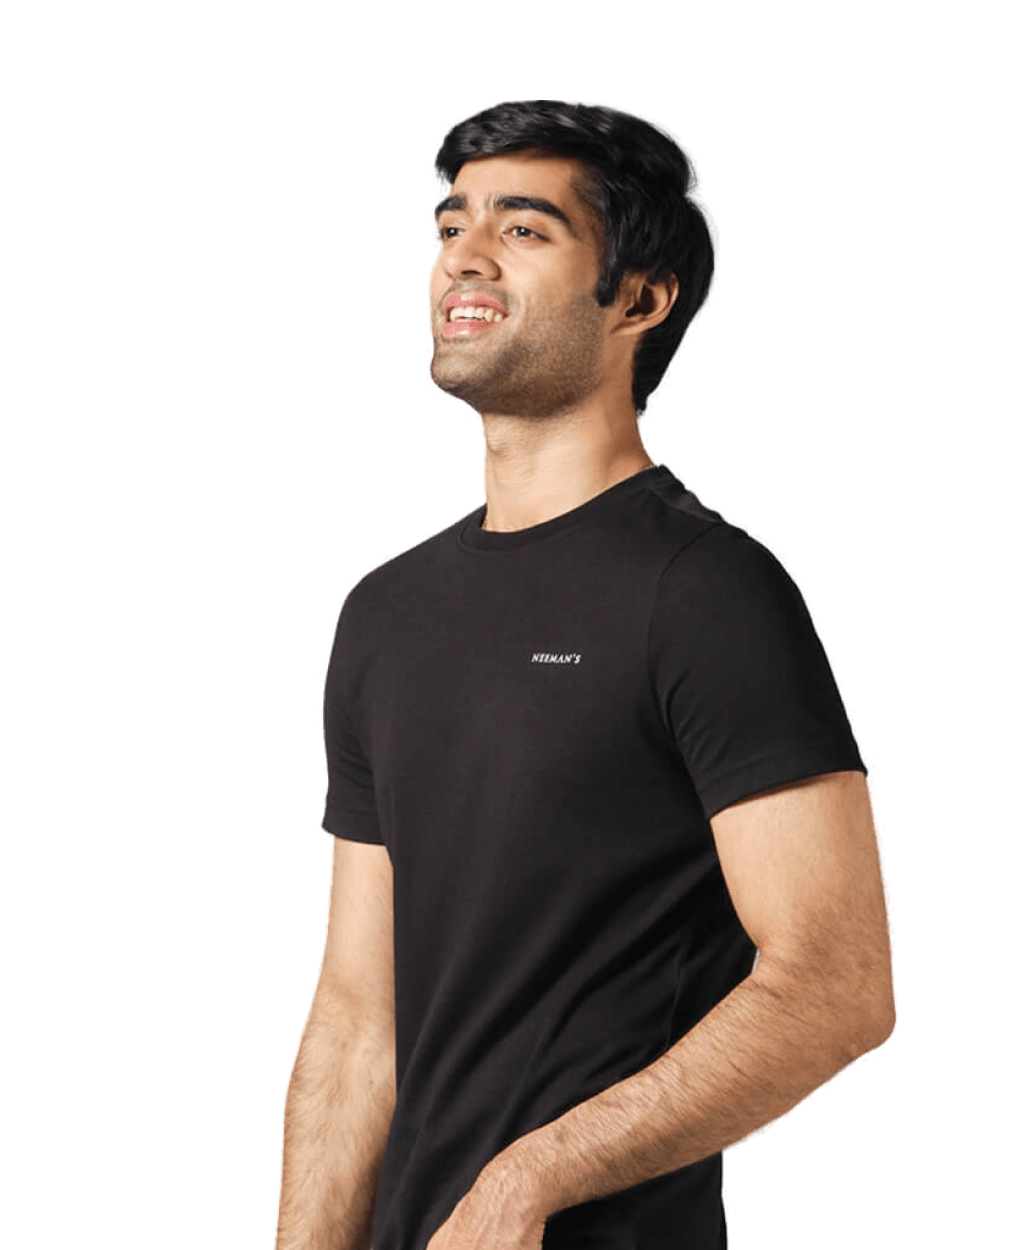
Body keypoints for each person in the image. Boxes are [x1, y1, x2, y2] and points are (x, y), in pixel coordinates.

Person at [276, 99, 894, 1250]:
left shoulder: (704, 589)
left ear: (638, 299)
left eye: (522, 228)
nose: (462, 255)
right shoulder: (385, 613)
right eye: (450, 224)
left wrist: (528, 1180)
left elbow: (835, 985)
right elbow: (359, 1015)